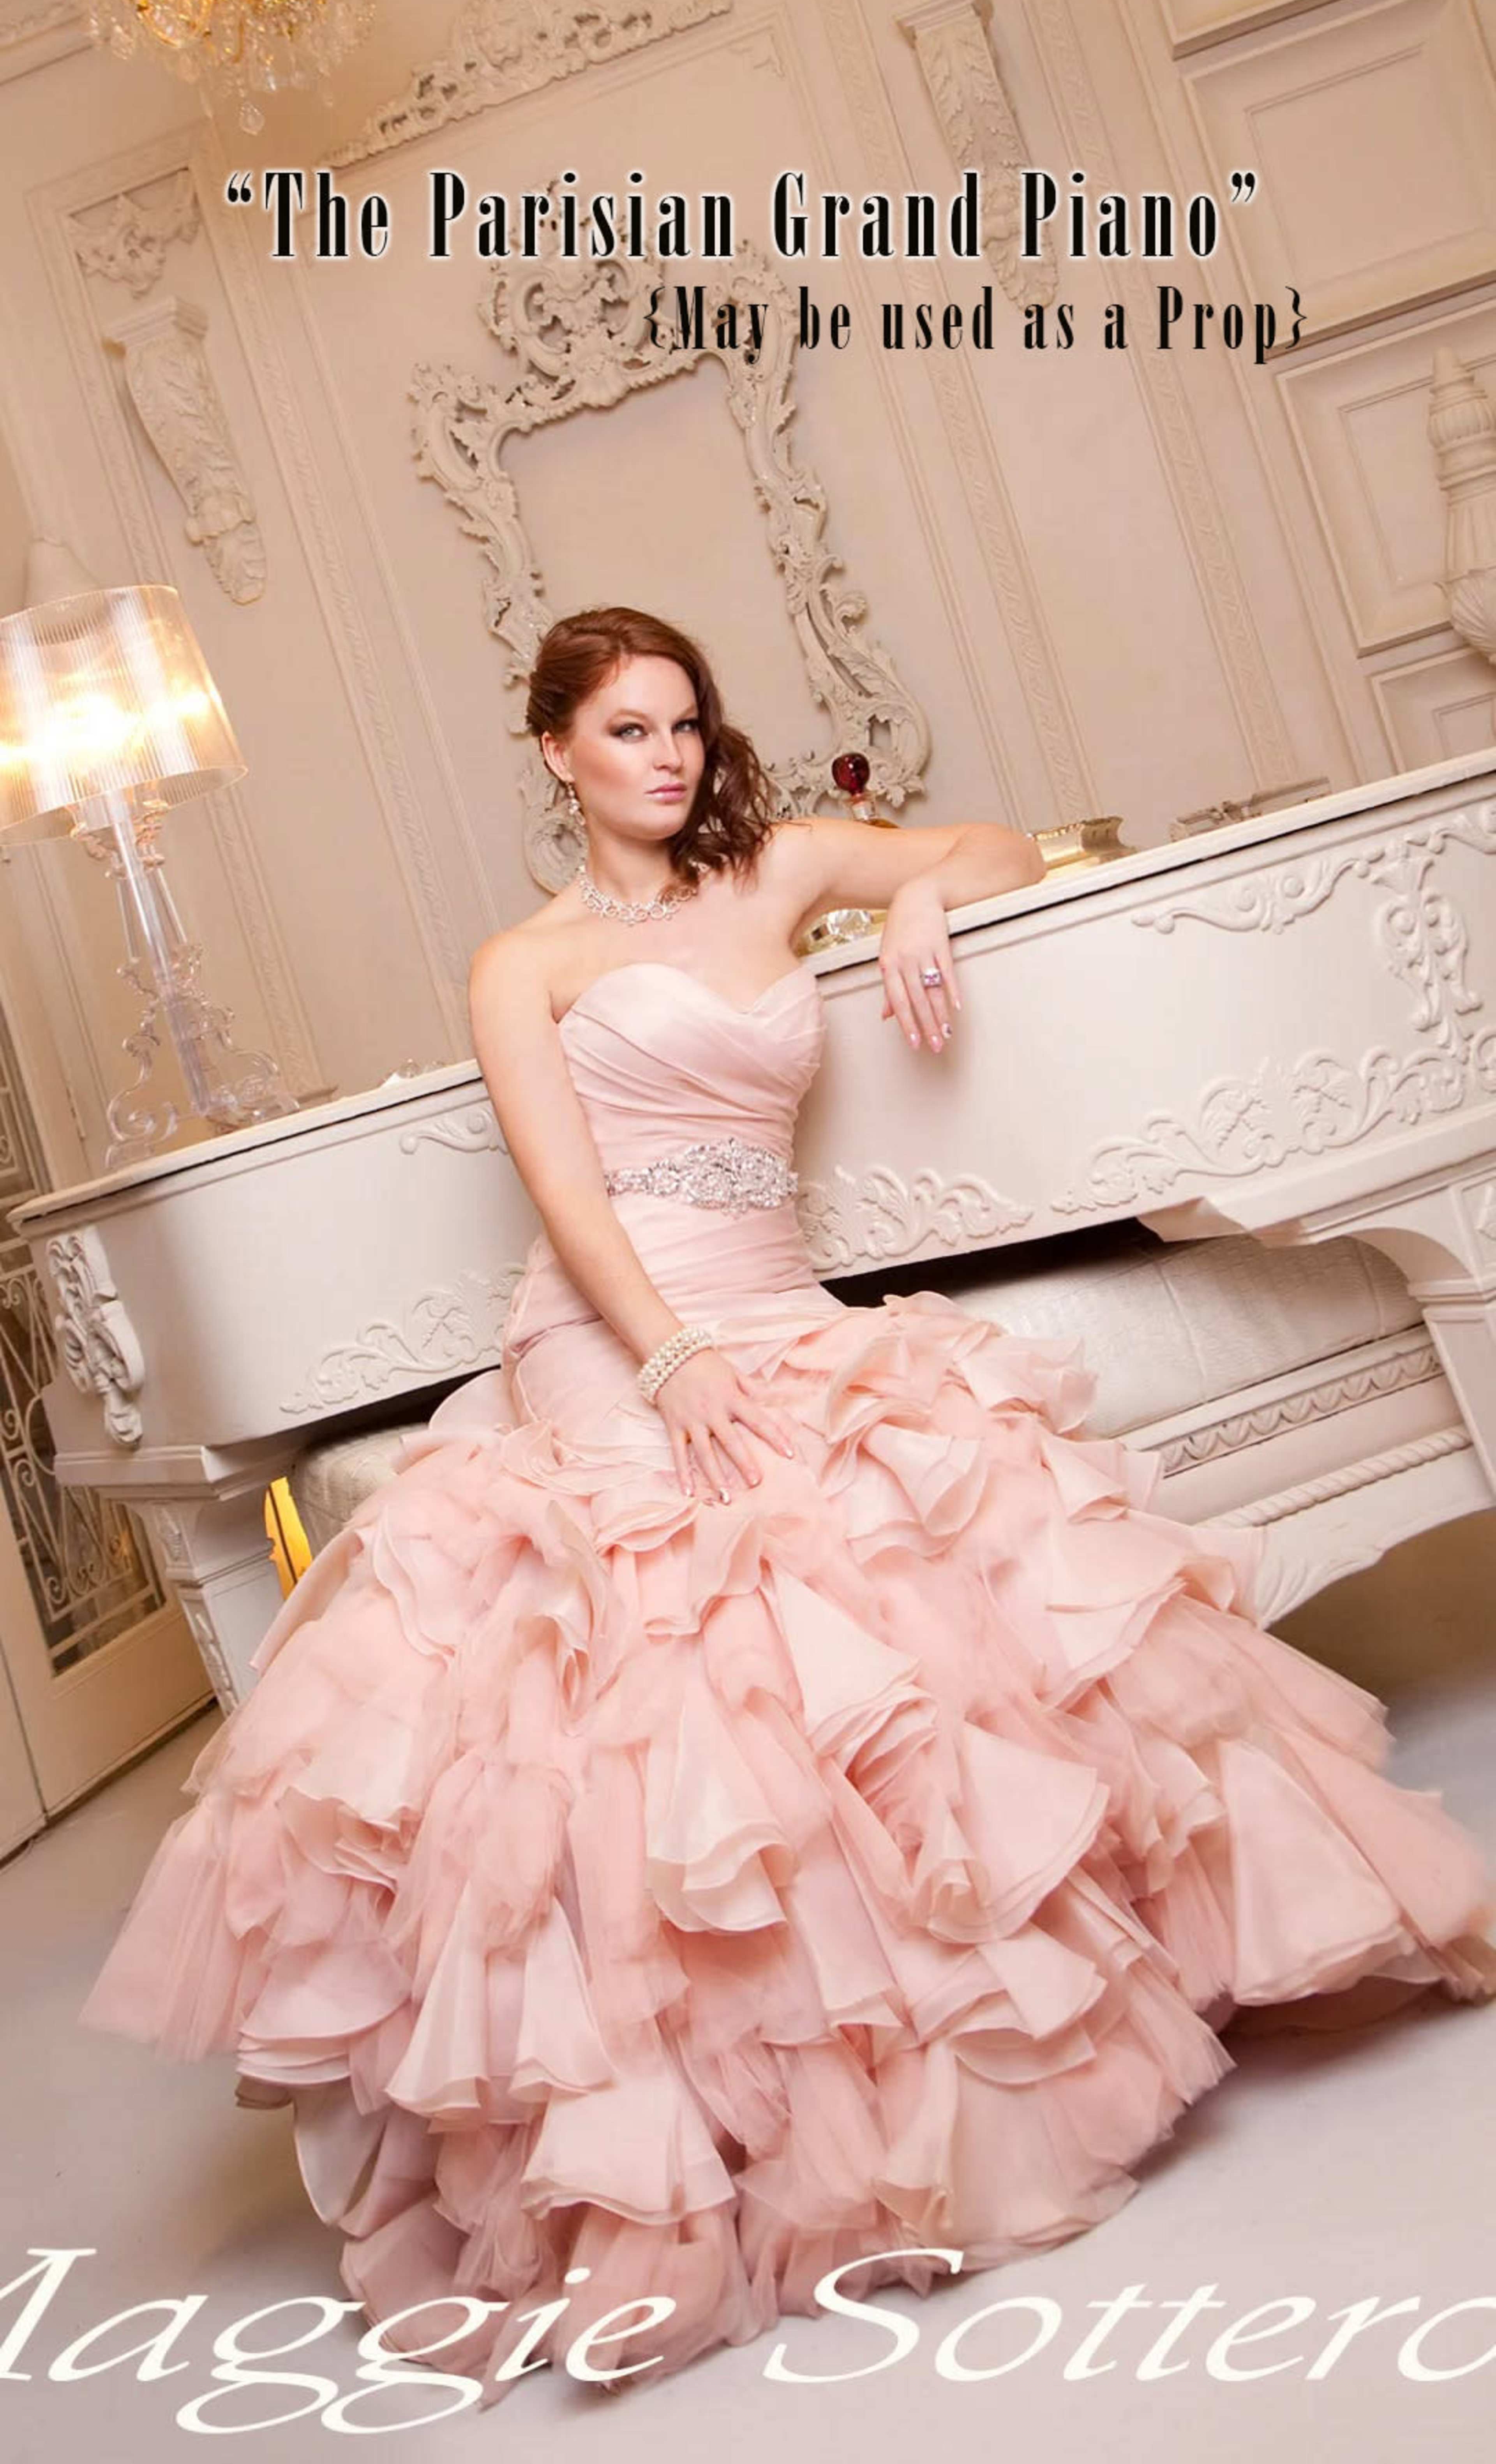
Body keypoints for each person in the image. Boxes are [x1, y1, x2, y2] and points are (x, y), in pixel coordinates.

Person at [79, 604, 1496, 2407]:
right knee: (687, 1633)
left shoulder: (777, 876)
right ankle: (715, 2126)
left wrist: (906, 902)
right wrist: (670, 1363)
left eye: (683, 724)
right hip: (613, 1327)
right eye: (624, 733)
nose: (665, 757)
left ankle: (992, 2029)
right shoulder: (524, 966)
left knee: (928, 1540)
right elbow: (571, 1201)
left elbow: (990, 847)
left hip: (774, 1298)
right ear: (557, 757)